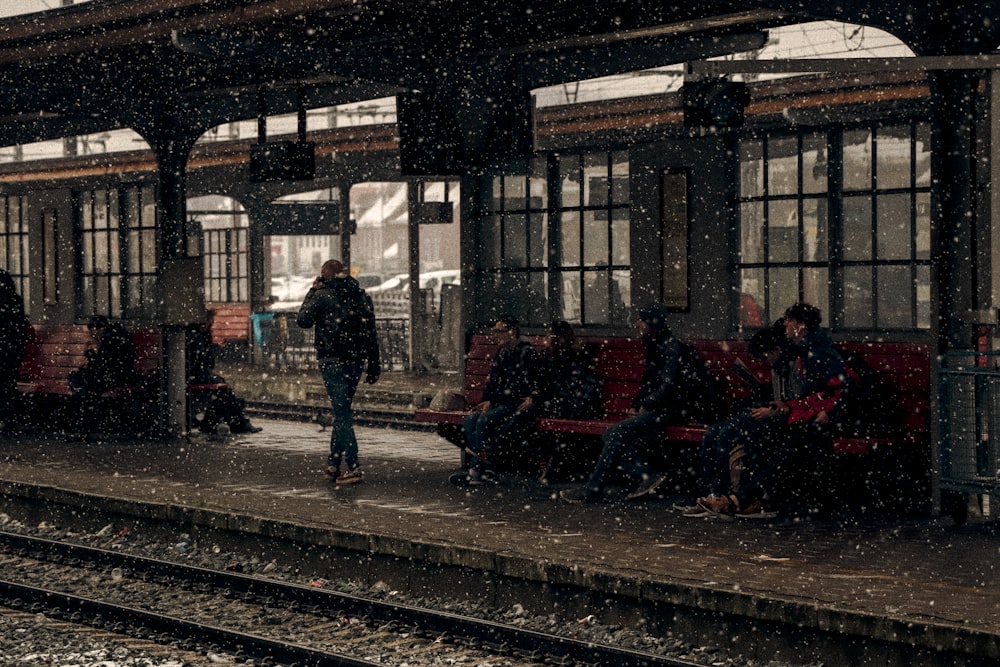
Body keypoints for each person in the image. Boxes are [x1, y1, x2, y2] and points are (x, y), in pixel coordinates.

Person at [697, 303, 849, 516]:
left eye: (790, 320)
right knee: (757, 439)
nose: (785, 324)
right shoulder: (805, 351)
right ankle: (742, 498)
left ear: (801, 325)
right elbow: (813, 397)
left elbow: (839, 388)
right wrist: (787, 406)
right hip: (804, 417)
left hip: (818, 422)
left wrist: (827, 412)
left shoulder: (816, 353)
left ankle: (739, 499)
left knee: (779, 448)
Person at [559, 304, 719, 503]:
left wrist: (647, 404)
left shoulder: (671, 347)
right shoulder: (657, 344)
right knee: (613, 434)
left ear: (652, 323)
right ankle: (646, 474)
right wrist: (637, 405)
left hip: (671, 410)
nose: (638, 324)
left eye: (641, 320)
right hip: (662, 409)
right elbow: (650, 382)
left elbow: (669, 386)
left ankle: (595, 489)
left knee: (615, 433)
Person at [688, 319, 795, 515]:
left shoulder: (793, 366)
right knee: (712, 432)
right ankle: (709, 493)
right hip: (766, 413)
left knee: (726, 434)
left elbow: (793, 404)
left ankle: (722, 495)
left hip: (776, 419)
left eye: (766, 356)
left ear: (777, 350)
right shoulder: (778, 366)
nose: (765, 361)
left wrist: (772, 410)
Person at [297, 259, 381, 485]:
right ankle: (333, 462)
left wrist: (311, 291)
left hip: (332, 360)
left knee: (342, 412)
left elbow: (302, 320)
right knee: (342, 409)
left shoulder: (322, 296)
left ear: (324, 277)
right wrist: (374, 364)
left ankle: (353, 466)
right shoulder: (361, 296)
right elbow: (371, 332)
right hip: (356, 361)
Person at [452, 317, 539, 486]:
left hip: (514, 403)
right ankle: (485, 467)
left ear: (512, 332)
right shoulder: (503, 351)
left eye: (500, 331)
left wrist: (495, 401)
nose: (496, 335)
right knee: (470, 421)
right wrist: (487, 400)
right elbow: (493, 380)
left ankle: (478, 470)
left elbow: (520, 387)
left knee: (485, 420)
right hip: (501, 401)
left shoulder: (525, 352)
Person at [533, 320, 602, 481]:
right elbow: (545, 384)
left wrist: (553, 399)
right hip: (562, 403)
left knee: (554, 421)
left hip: (575, 405)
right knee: (533, 417)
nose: (546, 339)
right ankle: (549, 463)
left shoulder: (574, 357)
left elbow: (579, 388)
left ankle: (553, 465)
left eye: (550, 335)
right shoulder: (549, 357)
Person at [187, 312, 261, 435]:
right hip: (197, 375)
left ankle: (220, 420)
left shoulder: (195, 334)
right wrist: (215, 349)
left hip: (195, 374)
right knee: (224, 391)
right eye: (209, 320)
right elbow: (203, 361)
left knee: (222, 387)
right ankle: (238, 422)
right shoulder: (197, 336)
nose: (211, 323)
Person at [67, 316, 137, 432]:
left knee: (81, 386)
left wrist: (91, 354)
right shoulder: (113, 337)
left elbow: (106, 364)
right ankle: (83, 425)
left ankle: (82, 426)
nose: (93, 333)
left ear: (100, 328)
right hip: (111, 375)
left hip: (114, 377)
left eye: (94, 329)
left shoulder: (111, 340)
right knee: (79, 382)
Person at [0, 270, 29, 433]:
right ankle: (8, 419)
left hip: (5, 349)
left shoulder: (5, 300)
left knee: (5, 384)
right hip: (11, 350)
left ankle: (7, 418)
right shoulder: (14, 300)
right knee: (8, 384)